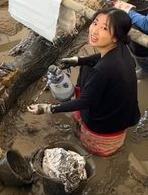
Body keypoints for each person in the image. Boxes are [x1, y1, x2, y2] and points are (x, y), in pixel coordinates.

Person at [28, 9, 140, 157]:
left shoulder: (102, 71)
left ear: (116, 37)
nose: (95, 30)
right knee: (87, 67)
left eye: (104, 28)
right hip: (124, 116)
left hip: (103, 128)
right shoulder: (122, 50)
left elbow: (84, 102)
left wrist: (48, 108)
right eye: (95, 23)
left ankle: (94, 151)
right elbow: (99, 58)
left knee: (90, 149)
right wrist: (78, 61)